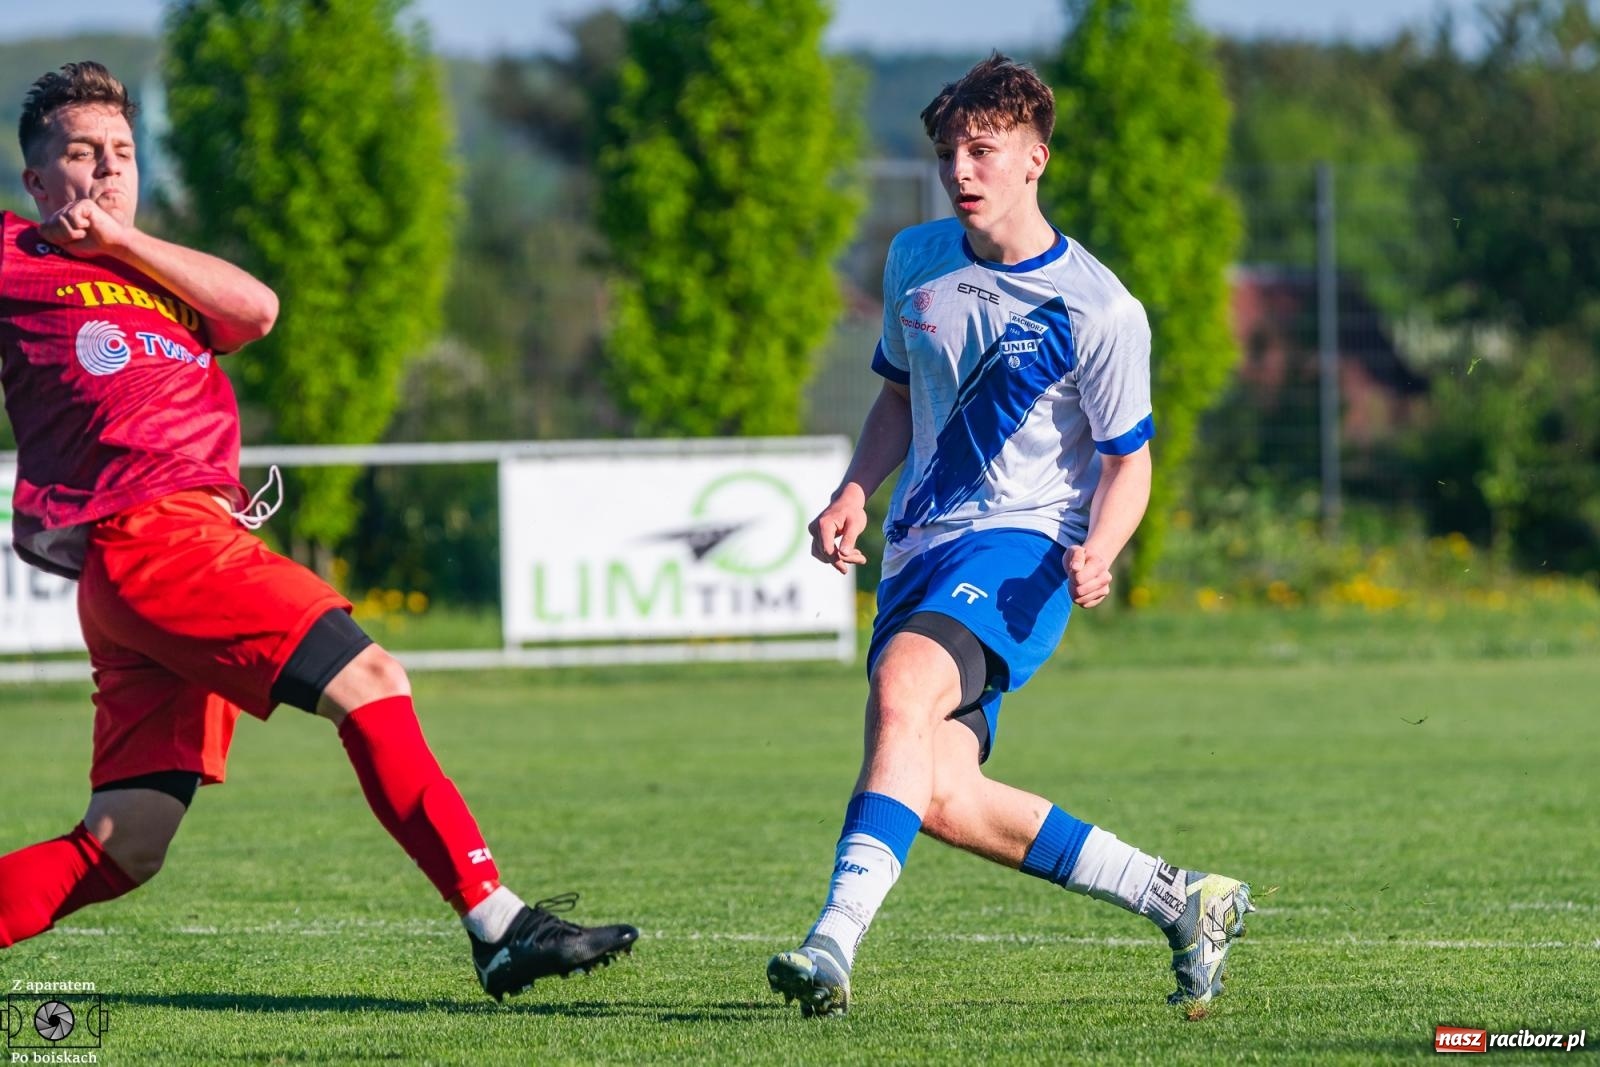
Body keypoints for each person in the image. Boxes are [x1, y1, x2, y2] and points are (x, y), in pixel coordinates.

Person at [0, 61, 637, 1001]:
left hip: (163, 558)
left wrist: (128, 244)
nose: (106, 172)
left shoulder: (157, 272)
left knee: (124, 843)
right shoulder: (17, 255)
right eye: (82, 155)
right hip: (151, 537)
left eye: (123, 154)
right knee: (373, 676)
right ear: (36, 181)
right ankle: (498, 924)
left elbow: (257, 308)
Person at [765, 54, 1253, 1017]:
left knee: (906, 685)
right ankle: (1181, 896)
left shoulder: (1099, 308)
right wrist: (855, 489)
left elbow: (1130, 459)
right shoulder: (916, 258)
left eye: (983, 151)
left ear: (1035, 158)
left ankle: (832, 941)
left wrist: (1102, 547)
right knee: (939, 792)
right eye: (951, 152)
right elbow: (899, 398)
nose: (962, 170)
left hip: (1022, 551)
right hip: (916, 551)